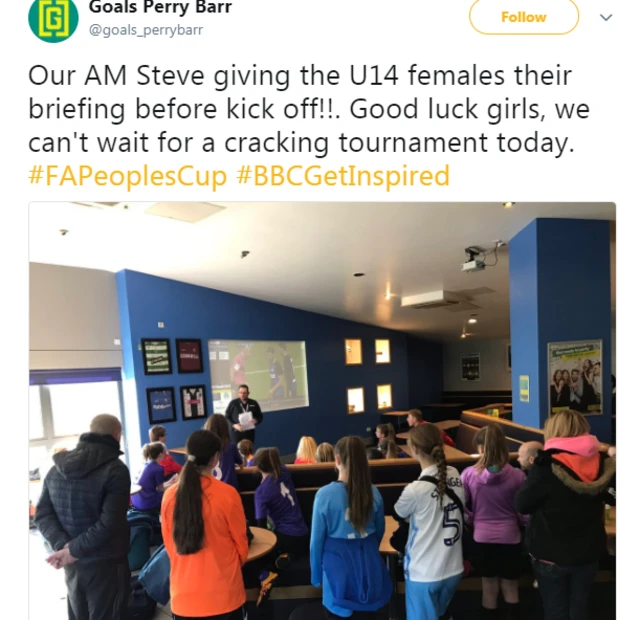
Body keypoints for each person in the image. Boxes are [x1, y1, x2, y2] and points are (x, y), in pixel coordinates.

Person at [515, 410, 616, 620]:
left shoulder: (545, 465)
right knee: (579, 607)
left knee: (555, 610)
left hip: (551, 554)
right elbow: (614, 497)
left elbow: (521, 504)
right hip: (589, 552)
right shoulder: (603, 462)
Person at [35, 414, 131, 620]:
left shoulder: (55, 469)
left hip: (72, 564)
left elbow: (42, 514)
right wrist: (72, 550)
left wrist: (65, 547)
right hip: (107, 563)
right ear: (117, 435)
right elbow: (110, 524)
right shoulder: (116, 470)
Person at [161, 429, 249, 620]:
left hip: (184, 598)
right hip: (225, 596)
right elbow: (241, 546)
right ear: (215, 458)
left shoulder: (169, 496)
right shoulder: (228, 494)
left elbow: (169, 546)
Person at [310, 436, 392, 618]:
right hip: (370, 568)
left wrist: (316, 577)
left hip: (337, 573)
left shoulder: (324, 495)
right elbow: (379, 531)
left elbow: (316, 542)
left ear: (337, 460)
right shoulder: (374, 492)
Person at [393, 423, 464, 620]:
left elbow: (398, 513)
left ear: (413, 449)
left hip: (424, 573)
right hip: (453, 568)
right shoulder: (456, 475)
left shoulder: (415, 490)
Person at [461, 424, 527, 619]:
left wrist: (474, 519)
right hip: (511, 538)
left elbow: (462, 507)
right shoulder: (518, 475)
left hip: (482, 538)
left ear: (481, 448)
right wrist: (520, 521)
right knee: (511, 588)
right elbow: (524, 511)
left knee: (488, 589)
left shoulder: (469, 474)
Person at [254, 448, 309, 556]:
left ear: (259, 467)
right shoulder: (284, 472)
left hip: (286, 537)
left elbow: (261, 526)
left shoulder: (261, 492)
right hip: (304, 533)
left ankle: (277, 559)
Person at [132, 442, 177, 513]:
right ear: (160, 454)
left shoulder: (145, 465)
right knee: (173, 493)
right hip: (147, 502)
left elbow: (156, 487)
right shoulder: (158, 468)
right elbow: (160, 489)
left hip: (137, 501)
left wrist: (171, 481)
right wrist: (176, 484)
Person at [204, 414, 243, 489]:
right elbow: (241, 466)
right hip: (230, 488)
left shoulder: (204, 448)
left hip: (212, 488)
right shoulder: (231, 447)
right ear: (226, 429)